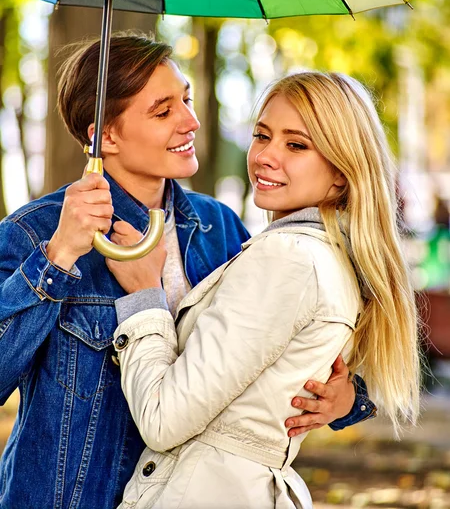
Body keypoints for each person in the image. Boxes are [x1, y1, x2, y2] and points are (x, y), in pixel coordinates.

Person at [0, 34, 372, 509]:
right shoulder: (35, 232)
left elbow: (280, 348)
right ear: (104, 136)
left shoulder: (221, 228)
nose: (191, 121)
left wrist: (346, 399)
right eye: (164, 110)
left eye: (187, 100)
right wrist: (56, 259)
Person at [107, 71, 420, 508]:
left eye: (296, 145)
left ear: (342, 173)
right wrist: (352, 401)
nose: (265, 156)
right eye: (262, 135)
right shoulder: (327, 255)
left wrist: (144, 297)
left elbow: (163, 420)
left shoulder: (289, 258)